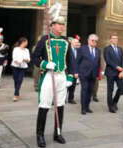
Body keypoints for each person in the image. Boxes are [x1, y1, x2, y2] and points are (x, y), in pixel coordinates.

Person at [33, 16, 74, 147]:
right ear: (53, 25)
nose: (62, 27)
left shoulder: (66, 41)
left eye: (63, 24)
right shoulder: (44, 40)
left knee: (60, 105)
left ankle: (58, 133)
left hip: (61, 76)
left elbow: (70, 60)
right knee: (44, 105)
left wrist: (70, 77)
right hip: (48, 76)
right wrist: (45, 64)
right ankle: (40, 135)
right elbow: (35, 57)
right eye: (60, 24)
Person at [76, 34, 101, 115]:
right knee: (84, 89)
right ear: (88, 40)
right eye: (92, 40)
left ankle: (87, 106)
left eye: (95, 41)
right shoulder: (82, 49)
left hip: (93, 74)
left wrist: (97, 73)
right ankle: (83, 108)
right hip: (84, 73)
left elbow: (98, 62)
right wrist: (77, 72)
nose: (94, 42)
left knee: (90, 91)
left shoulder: (98, 50)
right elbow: (77, 61)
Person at [104, 33, 123, 113]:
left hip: (119, 73)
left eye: (116, 38)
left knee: (121, 88)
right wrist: (116, 67)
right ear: (110, 40)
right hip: (110, 72)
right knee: (110, 90)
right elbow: (108, 60)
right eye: (113, 38)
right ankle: (110, 107)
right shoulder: (107, 49)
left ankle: (114, 102)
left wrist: (122, 70)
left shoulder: (120, 49)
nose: (115, 40)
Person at [11, 37, 30, 102]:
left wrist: (26, 60)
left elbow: (28, 59)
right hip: (15, 66)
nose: (27, 43)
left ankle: (16, 94)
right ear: (23, 42)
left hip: (23, 67)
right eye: (26, 42)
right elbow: (14, 57)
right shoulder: (16, 49)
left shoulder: (27, 50)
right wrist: (17, 62)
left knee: (20, 80)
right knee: (15, 80)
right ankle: (17, 91)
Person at [67, 36, 81, 104]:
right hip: (68, 71)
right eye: (75, 42)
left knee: (73, 86)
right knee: (66, 86)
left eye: (77, 42)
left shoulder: (78, 51)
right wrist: (71, 72)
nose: (76, 43)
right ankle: (63, 99)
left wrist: (77, 72)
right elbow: (68, 62)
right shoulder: (68, 50)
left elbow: (79, 63)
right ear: (71, 43)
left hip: (76, 72)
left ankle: (71, 99)